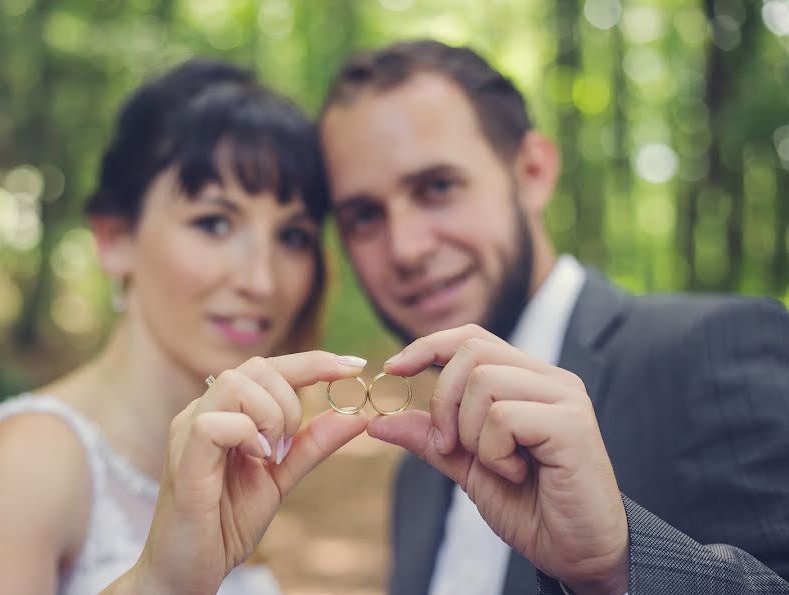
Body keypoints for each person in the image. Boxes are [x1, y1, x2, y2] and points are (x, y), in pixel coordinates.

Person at [319, 39, 789, 594]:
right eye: (364, 216)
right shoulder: (420, 469)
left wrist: (616, 566)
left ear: (533, 172)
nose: (405, 248)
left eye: (438, 187)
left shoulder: (713, 352)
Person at [0, 58, 371, 595]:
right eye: (214, 223)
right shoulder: (31, 464)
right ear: (115, 240)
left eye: (293, 236)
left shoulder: (240, 455)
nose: (262, 280)